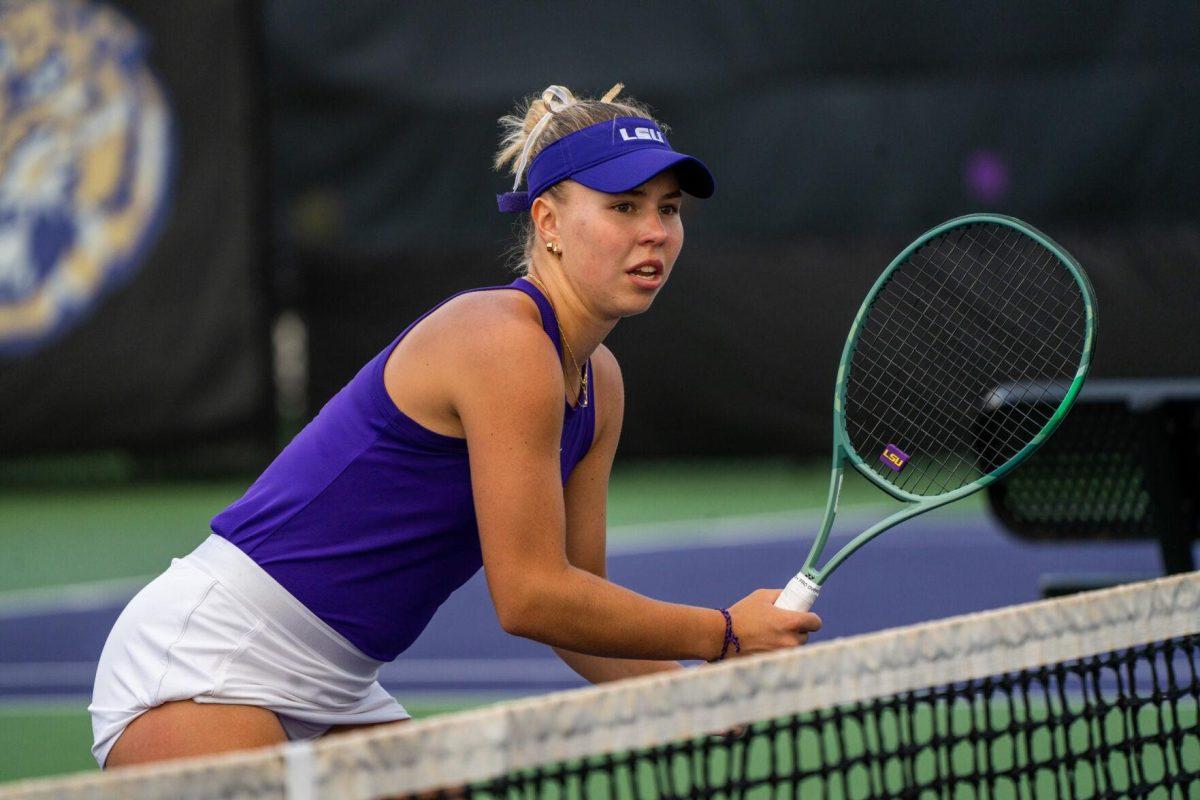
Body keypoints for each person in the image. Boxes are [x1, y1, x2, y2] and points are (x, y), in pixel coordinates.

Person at [89, 83, 822, 769]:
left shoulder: (600, 382)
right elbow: (530, 596)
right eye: (624, 206)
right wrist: (722, 634)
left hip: (339, 684)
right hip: (213, 657)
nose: (655, 233)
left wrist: (681, 690)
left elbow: (577, 609)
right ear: (549, 223)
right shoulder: (500, 340)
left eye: (668, 210)